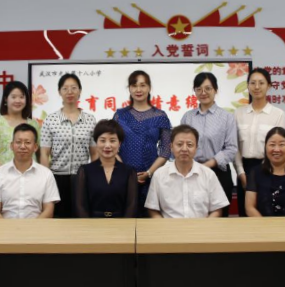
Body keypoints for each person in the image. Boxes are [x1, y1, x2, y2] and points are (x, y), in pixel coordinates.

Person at [0, 81, 40, 217]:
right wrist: (5, 172)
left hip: (29, 177)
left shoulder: (33, 124)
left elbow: (38, 151)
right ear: (6, 99)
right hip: (2, 178)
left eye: (22, 97)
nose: (18, 100)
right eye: (14, 97)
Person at [114, 70, 172, 215]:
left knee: (151, 220)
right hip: (123, 178)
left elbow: (166, 151)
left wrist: (149, 173)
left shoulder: (160, 116)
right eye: (134, 85)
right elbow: (112, 147)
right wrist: (126, 172)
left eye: (142, 85)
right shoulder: (120, 115)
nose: (138, 90)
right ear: (129, 88)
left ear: (149, 88)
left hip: (152, 178)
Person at [181, 72, 237, 217]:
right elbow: (180, 144)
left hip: (218, 173)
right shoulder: (188, 117)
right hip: (191, 173)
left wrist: (208, 165)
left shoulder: (227, 117)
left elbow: (231, 149)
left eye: (208, 88)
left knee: (219, 219)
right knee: (192, 216)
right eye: (199, 89)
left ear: (215, 90)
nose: (203, 92)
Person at [40, 73, 97, 218]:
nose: (69, 92)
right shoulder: (50, 120)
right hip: (56, 178)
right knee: (59, 219)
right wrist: (46, 178)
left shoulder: (90, 120)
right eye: (65, 88)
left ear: (80, 91)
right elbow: (44, 153)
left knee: (81, 218)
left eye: (73, 88)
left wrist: (95, 176)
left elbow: (95, 153)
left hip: (82, 177)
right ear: (59, 92)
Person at [145, 125, 229, 218]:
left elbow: (217, 209)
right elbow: (152, 209)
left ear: (196, 148)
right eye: (179, 144)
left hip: (201, 226)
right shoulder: (159, 175)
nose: (184, 149)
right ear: (171, 147)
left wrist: (205, 226)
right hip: (169, 227)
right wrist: (164, 226)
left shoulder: (208, 174)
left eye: (189, 145)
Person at [234, 68, 285, 216]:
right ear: (248, 85)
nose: (257, 87)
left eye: (261, 83)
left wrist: (262, 173)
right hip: (244, 170)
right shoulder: (238, 113)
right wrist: (241, 173)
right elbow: (234, 146)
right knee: (245, 215)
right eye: (253, 83)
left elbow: (278, 147)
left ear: (269, 86)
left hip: (269, 170)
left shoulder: (278, 114)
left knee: (267, 214)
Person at [0, 123, 60, 219]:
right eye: (18, 142)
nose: (22, 146)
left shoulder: (46, 174)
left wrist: (33, 227)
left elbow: (48, 210)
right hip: (5, 226)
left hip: (37, 226)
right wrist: (5, 227)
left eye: (27, 142)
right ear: (12, 146)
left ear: (35, 147)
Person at [75, 120, 137, 218]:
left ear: (119, 143)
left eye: (112, 140)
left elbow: (131, 206)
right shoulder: (85, 171)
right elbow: (80, 206)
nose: (107, 146)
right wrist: (87, 226)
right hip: (92, 223)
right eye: (103, 140)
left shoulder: (129, 172)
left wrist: (125, 226)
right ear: (96, 142)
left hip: (121, 224)